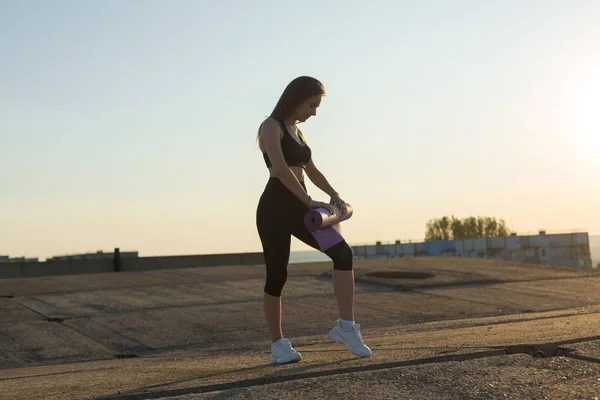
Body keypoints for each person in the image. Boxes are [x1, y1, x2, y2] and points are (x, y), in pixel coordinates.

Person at [255, 76, 372, 364]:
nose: (314, 112)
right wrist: (308, 201)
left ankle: (346, 327)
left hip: (302, 207)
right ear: (296, 99)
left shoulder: (298, 133)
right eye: (312, 105)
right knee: (277, 275)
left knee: (343, 254)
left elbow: (312, 170)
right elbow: (281, 169)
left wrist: (334, 195)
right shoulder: (271, 126)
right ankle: (278, 345)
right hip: (275, 207)